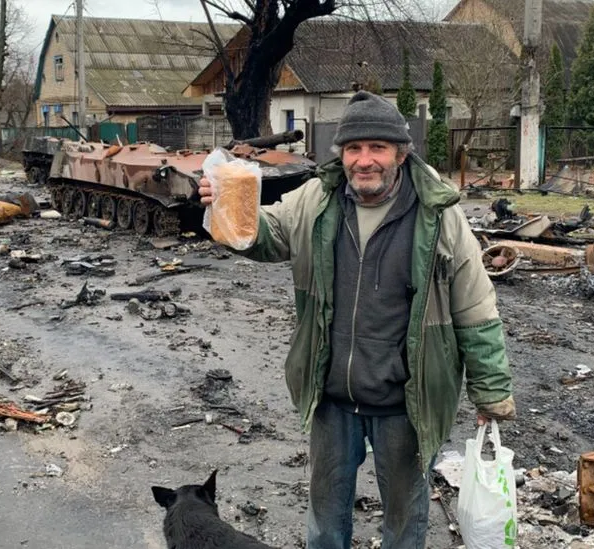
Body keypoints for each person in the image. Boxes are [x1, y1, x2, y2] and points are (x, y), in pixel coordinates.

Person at [198, 91, 515, 549]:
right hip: (333, 399)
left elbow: (476, 308)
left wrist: (492, 391)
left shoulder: (439, 216)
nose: (364, 160)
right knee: (325, 523)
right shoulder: (316, 200)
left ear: (401, 154)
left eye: (377, 148)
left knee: (405, 524)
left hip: (405, 404)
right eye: (353, 149)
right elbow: (266, 236)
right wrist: (224, 210)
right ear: (341, 154)